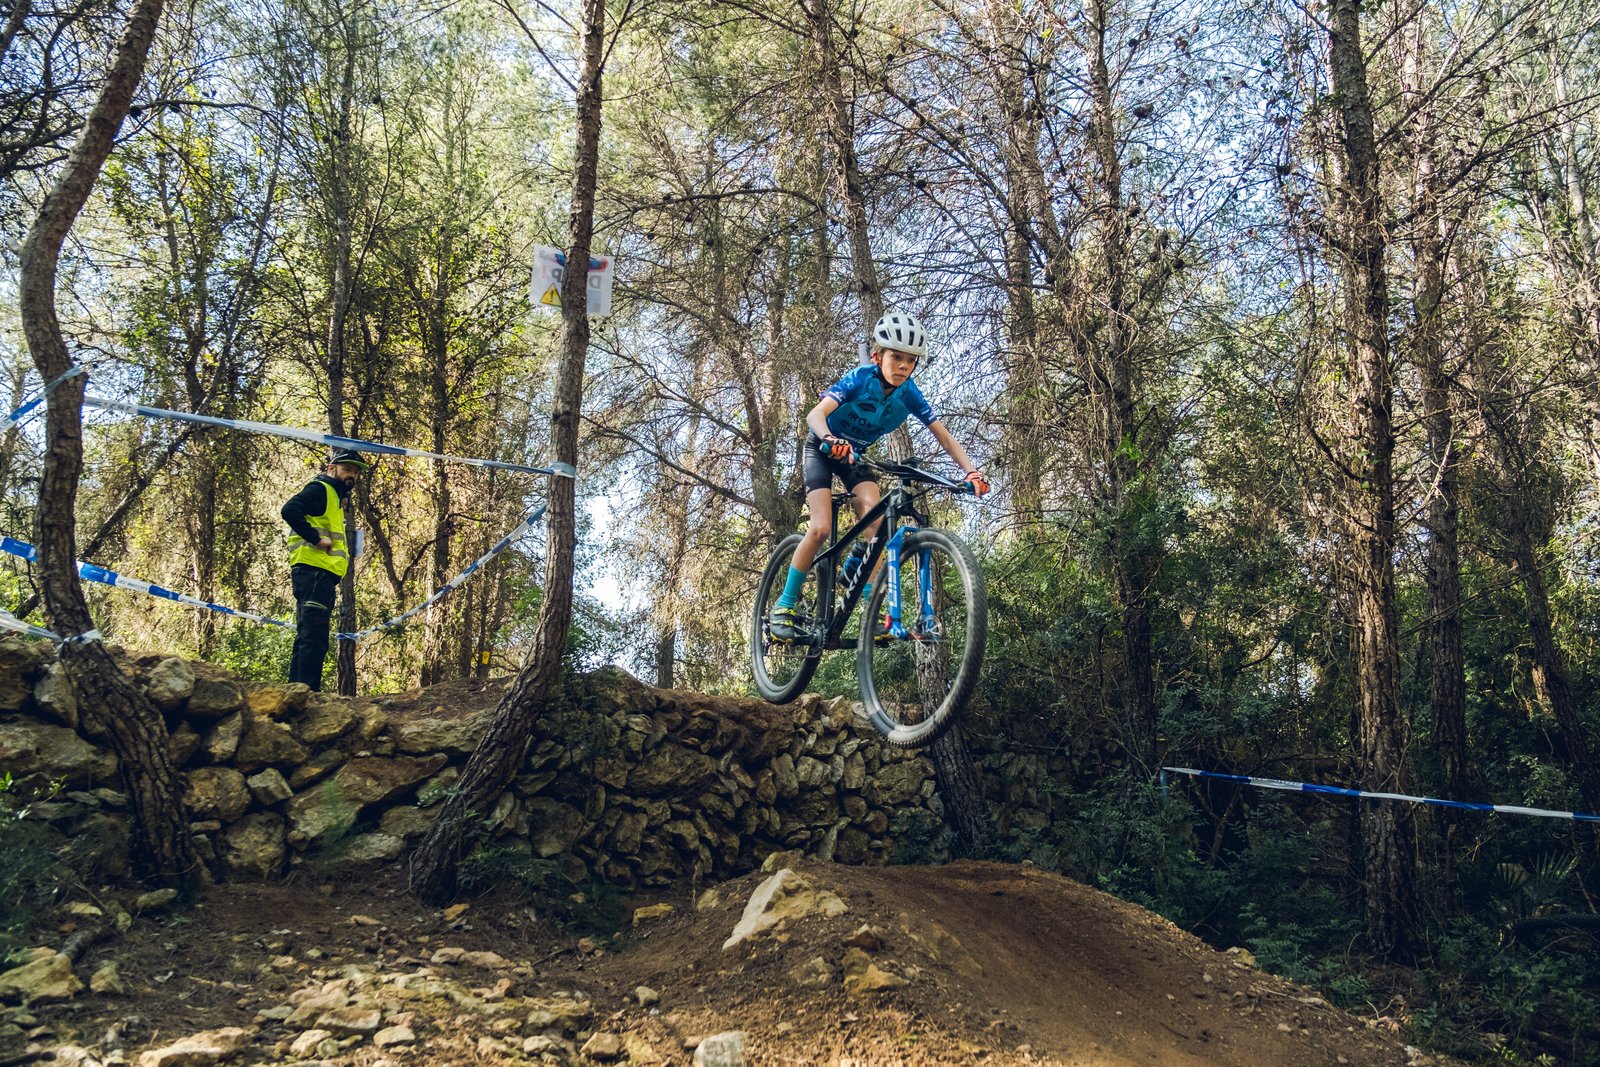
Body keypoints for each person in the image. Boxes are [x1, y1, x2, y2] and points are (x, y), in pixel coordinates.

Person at [769, 312, 990, 642]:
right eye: (896, 357)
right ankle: (783, 607)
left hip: (855, 456)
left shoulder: (909, 393)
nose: (903, 366)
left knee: (875, 520)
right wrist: (829, 438)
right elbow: (816, 414)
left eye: (910, 361)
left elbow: (943, 436)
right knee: (820, 528)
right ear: (877, 357)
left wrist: (971, 471)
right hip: (823, 448)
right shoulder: (860, 379)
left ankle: (868, 604)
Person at [281, 450, 369, 689]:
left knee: (308, 635)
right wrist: (316, 538)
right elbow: (289, 510)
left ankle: (296, 692)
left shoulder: (336, 498)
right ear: (332, 468)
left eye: (356, 472)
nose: (352, 475)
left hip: (320, 574)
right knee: (314, 638)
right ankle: (308, 693)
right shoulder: (321, 489)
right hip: (314, 571)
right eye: (347, 469)